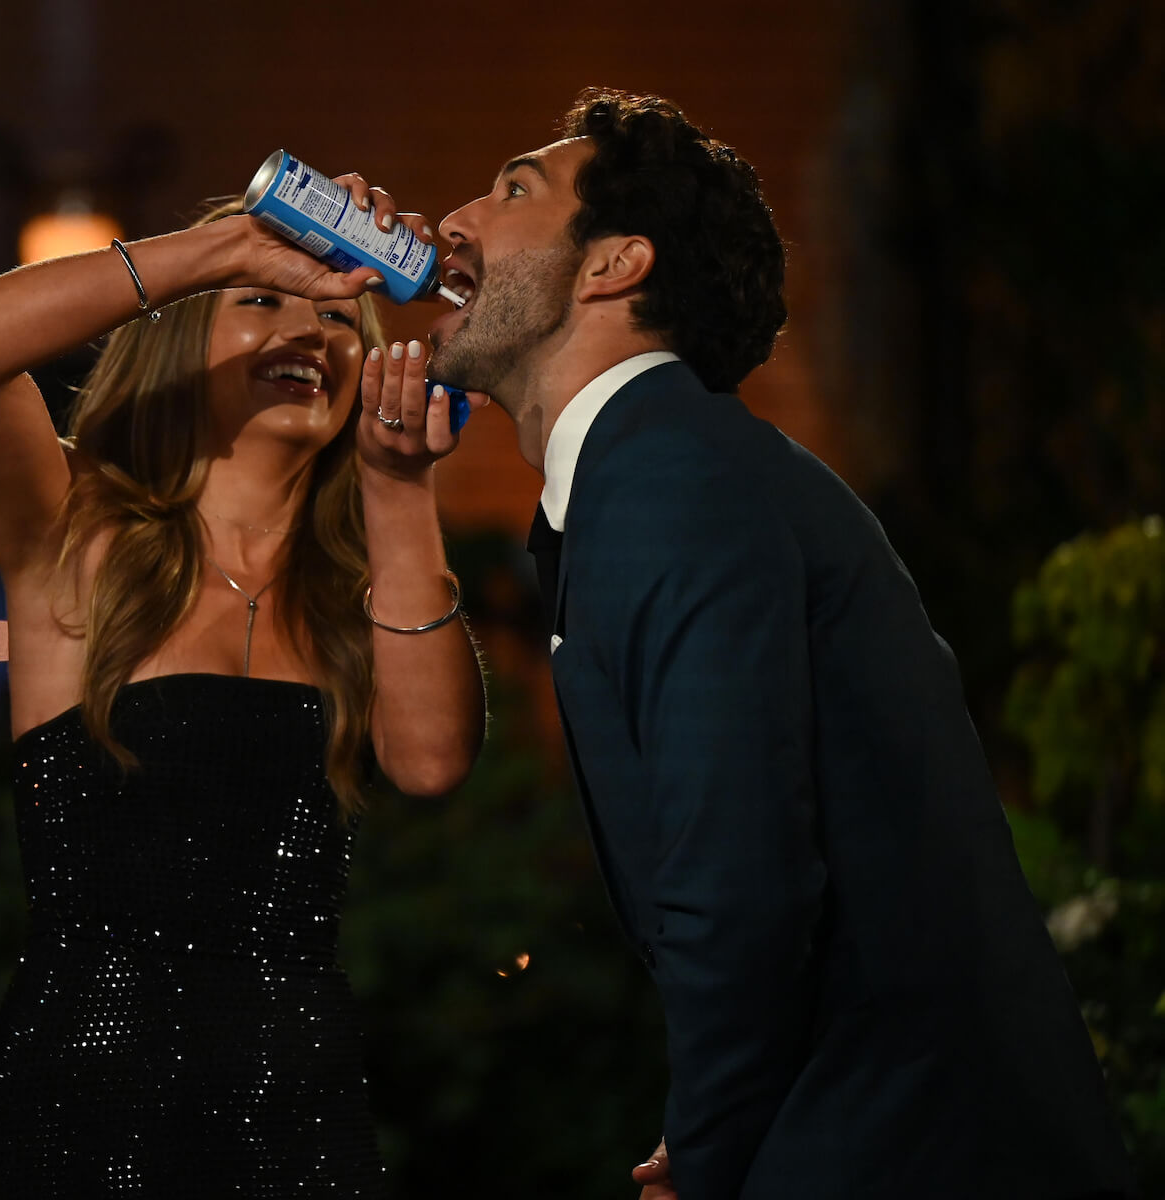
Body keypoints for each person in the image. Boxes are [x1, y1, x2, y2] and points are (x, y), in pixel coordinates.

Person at [422, 87, 1136, 1199]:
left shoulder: (675, 485)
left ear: (614, 265)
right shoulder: (653, 478)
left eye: (514, 187)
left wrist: (711, 1159)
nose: (451, 221)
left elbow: (739, 890)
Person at [0, 186, 485, 1197]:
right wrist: (229, 245)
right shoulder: (78, 537)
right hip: (81, 1117)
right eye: (263, 300)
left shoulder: (360, 592)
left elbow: (433, 759)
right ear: (181, 340)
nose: (309, 328)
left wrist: (400, 488)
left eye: (334, 316)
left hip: (297, 1120)